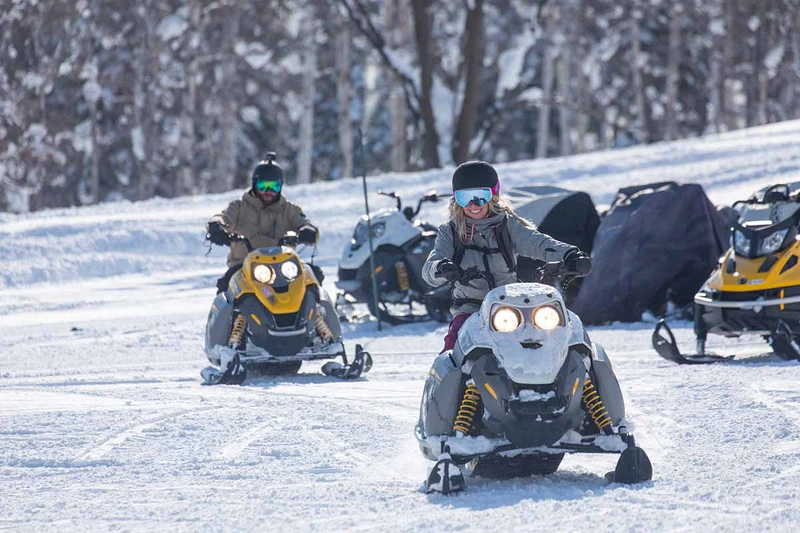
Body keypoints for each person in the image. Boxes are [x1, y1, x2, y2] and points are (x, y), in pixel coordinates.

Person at [422, 160, 590, 352]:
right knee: (453, 350)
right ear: (455, 200)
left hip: (510, 308)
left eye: (480, 197)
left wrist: (570, 254)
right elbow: (430, 267)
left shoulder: (507, 226)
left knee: (554, 339)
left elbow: (538, 242)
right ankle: (448, 380)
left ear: (493, 196)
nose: (473, 204)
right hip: (471, 309)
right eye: (465, 198)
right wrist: (441, 268)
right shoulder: (450, 232)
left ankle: (575, 376)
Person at [206, 153, 319, 292]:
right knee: (226, 291)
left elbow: (304, 223)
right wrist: (217, 226)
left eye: (274, 187)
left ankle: (320, 311)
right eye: (263, 186)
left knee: (312, 280)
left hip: (283, 267)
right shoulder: (239, 207)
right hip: (244, 268)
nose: (268, 191)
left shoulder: (289, 210)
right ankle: (222, 314)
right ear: (254, 184)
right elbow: (223, 217)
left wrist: (308, 231)